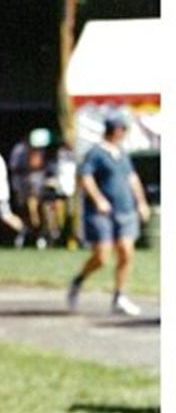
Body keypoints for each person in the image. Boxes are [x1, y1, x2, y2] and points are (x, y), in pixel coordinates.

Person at [67, 115, 151, 316]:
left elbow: (132, 178)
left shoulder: (121, 154)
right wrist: (98, 200)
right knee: (102, 256)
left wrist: (141, 202)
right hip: (101, 213)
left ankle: (119, 296)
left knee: (126, 252)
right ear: (116, 130)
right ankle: (79, 279)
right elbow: (85, 177)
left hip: (125, 210)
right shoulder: (96, 153)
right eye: (123, 129)